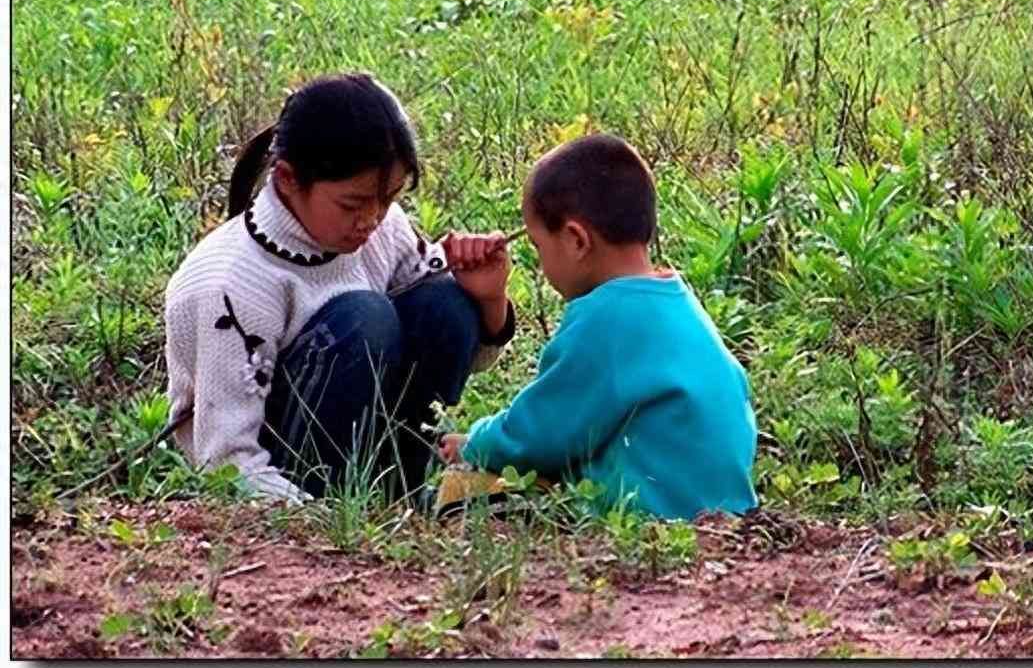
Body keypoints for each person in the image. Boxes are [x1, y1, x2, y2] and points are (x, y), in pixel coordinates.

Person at [164, 72, 515, 503]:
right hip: (278, 470)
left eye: (388, 199)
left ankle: (401, 488)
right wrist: (320, 520)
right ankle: (338, 498)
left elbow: (459, 348)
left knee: (445, 300)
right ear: (288, 179)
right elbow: (223, 462)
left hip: (361, 448)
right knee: (363, 318)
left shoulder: (382, 230)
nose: (372, 219)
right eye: (352, 204)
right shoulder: (229, 284)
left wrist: (487, 297)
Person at [439, 134, 758, 521]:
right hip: (728, 514)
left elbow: (540, 433)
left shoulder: (606, 317)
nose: (540, 262)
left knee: (457, 492)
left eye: (539, 246)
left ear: (576, 240)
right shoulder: (677, 302)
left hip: (651, 515)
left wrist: (473, 444)